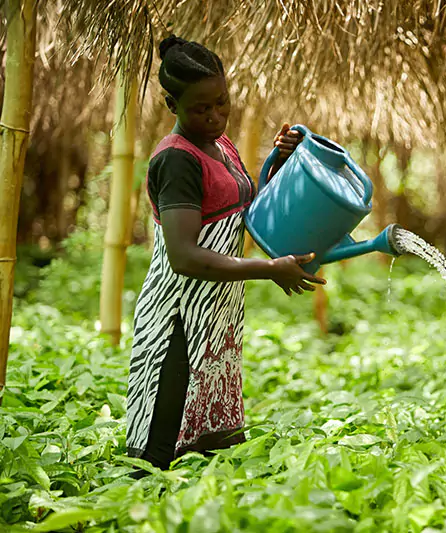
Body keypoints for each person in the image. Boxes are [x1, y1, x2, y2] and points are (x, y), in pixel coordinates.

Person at [126, 35, 325, 474]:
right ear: (170, 105)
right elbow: (184, 256)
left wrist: (279, 160)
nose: (215, 116)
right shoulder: (177, 161)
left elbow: (242, 210)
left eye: (222, 102)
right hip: (177, 319)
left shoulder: (219, 143)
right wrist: (268, 269)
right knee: (159, 455)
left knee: (211, 451)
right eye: (201, 108)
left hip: (217, 318)